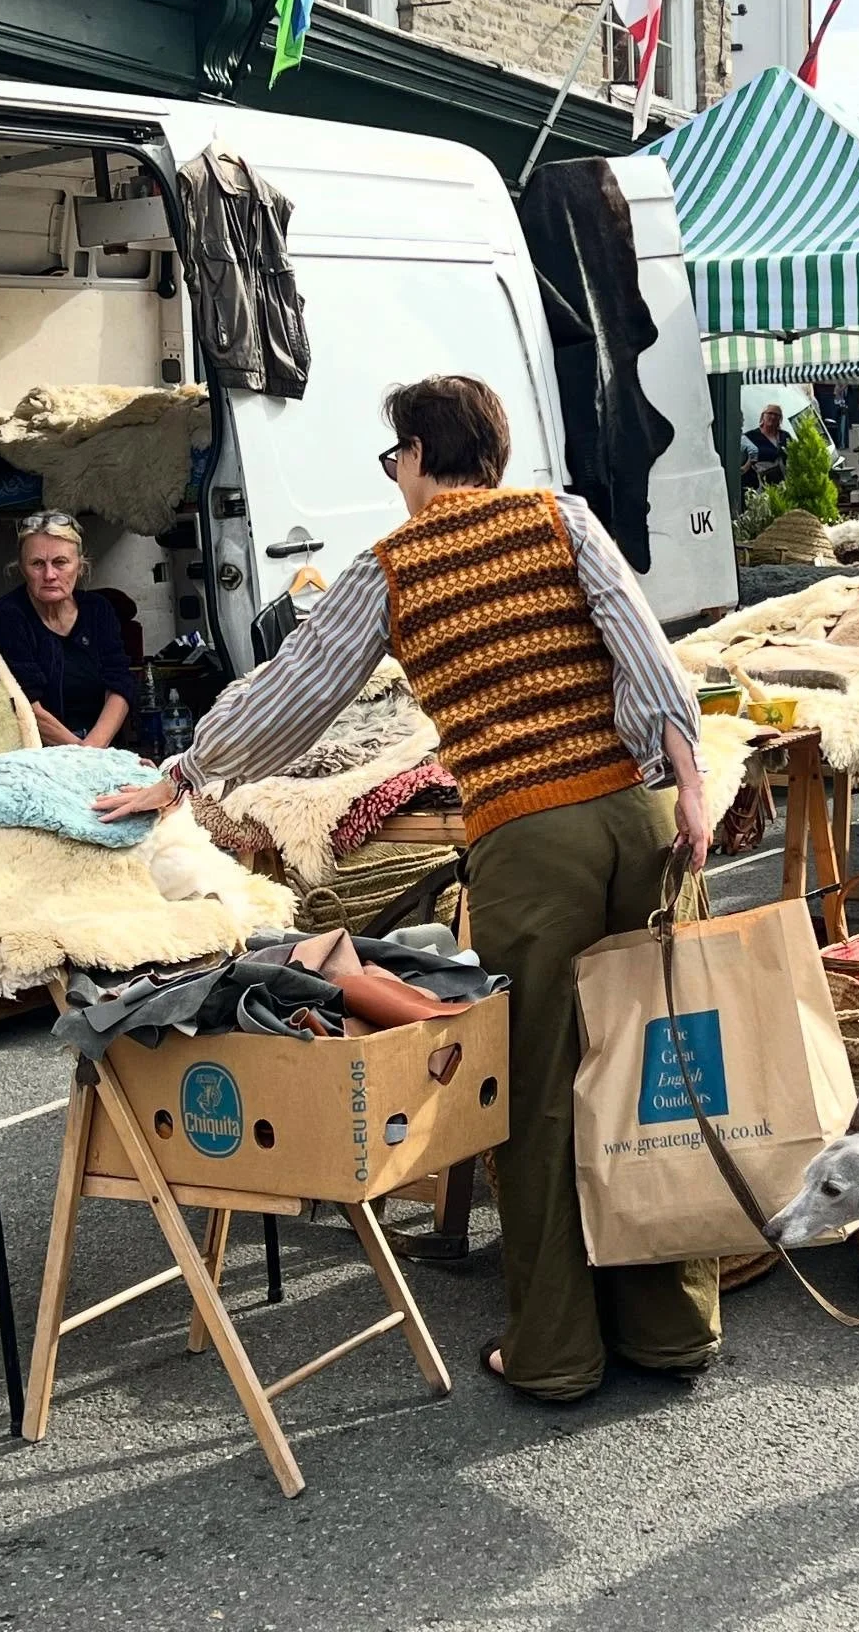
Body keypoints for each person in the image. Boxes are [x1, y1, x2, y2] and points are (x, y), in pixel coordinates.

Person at [95, 376, 720, 1401]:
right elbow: (646, 658)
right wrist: (689, 785)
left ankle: (558, 1353)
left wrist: (182, 775)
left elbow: (292, 699)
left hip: (531, 839)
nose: (398, 482)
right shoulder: (562, 518)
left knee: (540, 1091)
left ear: (422, 455)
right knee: (662, 1067)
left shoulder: (392, 568)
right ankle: (671, 1326)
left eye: (397, 462)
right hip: (644, 818)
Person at [0, 511, 136, 747]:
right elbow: (23, 704)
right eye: (37, 564)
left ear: (80, 566)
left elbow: (120, 683)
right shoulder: (5, 618)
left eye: (60, 562)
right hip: (37, 751)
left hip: (100, 747)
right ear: (21, 568)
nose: (50, 575)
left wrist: (94, 751)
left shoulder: (98, 610)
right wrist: (83, 758)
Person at [746, 403, 792, 479]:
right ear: (763, 416)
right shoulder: (751, 436)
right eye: (770, 413)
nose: (773, 417)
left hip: (785, 481)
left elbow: (792, 456)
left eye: (777, 415)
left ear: (780, 419)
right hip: (761, 484)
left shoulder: (785, 436)